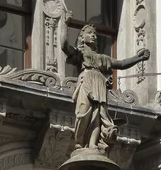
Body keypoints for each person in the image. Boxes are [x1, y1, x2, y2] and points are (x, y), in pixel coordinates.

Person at [61, 12, 150, 155]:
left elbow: (120, 64)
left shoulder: (102, 58)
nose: (94, 35)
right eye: (90, 33)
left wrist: (137, 58)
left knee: (98, 116)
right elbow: (64, 45)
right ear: (82, 38)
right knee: (83, 112)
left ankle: (92, 144)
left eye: (95, 33)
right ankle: (79, 143)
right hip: (86, 80)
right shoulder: (81, 55)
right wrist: (65, 24)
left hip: (99, 84)